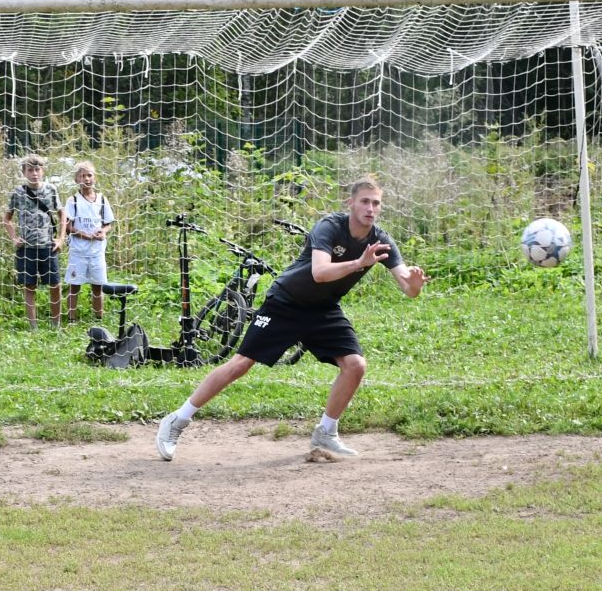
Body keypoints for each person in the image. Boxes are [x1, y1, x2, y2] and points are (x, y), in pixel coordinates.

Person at [154, 177, 426, 462]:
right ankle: (177, 420)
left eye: (376, 203)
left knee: (355, 365)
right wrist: (359, 264)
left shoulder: (380, 240)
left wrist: (416, 284)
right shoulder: (330, 226)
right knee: (241, 364)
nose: (371, 208)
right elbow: (319, 273)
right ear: (351, 203)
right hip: (286, 302)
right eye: (365, 201)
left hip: (323, 309)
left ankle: (325, 433)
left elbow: (408, 288)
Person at [3, 155, 64, 327]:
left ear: (43, 171)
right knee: (29, 287)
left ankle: (56, 324)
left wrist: (60, 238)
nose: (34, 173)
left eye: (37, 169)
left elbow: (62, 214)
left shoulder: (51, 189)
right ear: (24, 172)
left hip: (47, 246)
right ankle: (33, 327)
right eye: (30, 170)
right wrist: (14, 238)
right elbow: (6, 218)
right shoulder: (17, 193)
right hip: (27, 248)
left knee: (55, 285)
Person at [63, 161, 115, 327]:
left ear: (95, 178)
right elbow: (67, 225)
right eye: (82, 175)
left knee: (97, 286)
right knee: (74, 286)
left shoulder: (102, 199)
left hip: (97, 251)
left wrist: (103, 232)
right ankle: (71, 319)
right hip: (78, 251)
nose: (86, 179)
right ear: (76, 179)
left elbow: (109, 223)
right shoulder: (73, 201)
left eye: (89, 175)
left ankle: (98, 318)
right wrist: (83, 234)